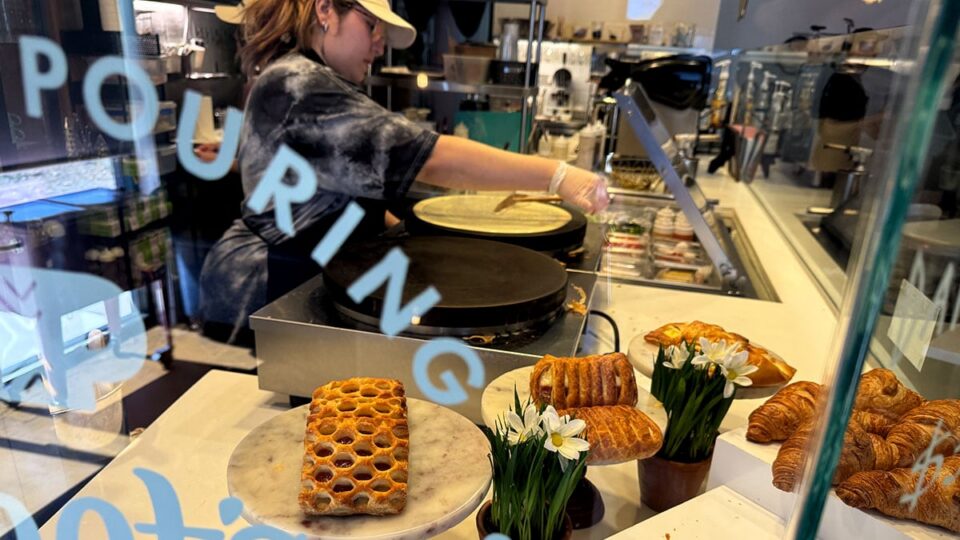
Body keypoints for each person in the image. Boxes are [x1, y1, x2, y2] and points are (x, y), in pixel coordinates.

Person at [198, 0, 608, 343]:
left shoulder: (315, 79)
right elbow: (431, 158)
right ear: (325, 10)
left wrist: (399, 229)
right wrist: (557, 175)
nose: (379, 45)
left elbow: (331, 189)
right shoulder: (297, 83)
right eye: (371, 25)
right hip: (270, 285)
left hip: (317, 270)